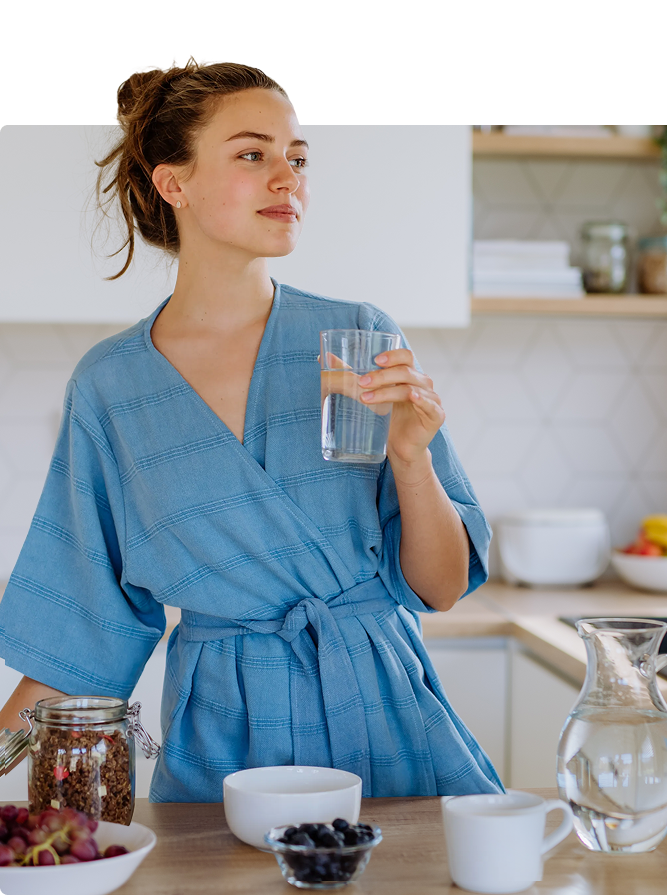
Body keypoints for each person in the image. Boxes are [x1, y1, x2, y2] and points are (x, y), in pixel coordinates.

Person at [0, 58, 503, 801]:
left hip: (384, 722)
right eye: (251, 154)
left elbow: (442, 585)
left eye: (297, 158)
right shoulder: (112, 388)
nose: (286, 178)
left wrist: (409, 456)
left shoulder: (356, 338)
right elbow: (81, 640)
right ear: (173, 183)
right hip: (225, 747)